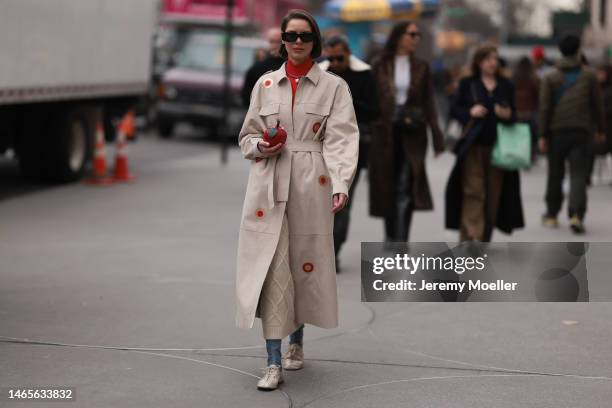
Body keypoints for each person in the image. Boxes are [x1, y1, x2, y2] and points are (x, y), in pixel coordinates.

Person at [235, 9, 359, 391]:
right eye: (291, 36)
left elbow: (342, 138)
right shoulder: (265, 84)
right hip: (268, 182)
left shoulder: (333, 86)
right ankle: (273, 361)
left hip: (311, 180)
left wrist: (341, 182)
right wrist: (262, 144)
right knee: (271, 267)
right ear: (283, 41)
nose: (298, 42)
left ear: (315, 41)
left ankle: (297, 339)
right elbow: (246, 138)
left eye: (305, 36)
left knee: (303, 264)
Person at [369, 21, 444, 246]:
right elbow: (369, 100)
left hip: (413, 132)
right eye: (412, 34)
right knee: (387, 183)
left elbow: (429, 102)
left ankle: (402, 238)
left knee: (407, 183)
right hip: (384, 133)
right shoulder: (379, 64)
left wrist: (437, 138)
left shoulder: (422, 66)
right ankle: (390, 234)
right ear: (399, 36)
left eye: (418, 34)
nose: (416, 38)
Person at [445, 43, 524, 242]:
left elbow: (515, 114)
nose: (492, 63)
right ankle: (473, 235)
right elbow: (454, 109)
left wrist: (507, 114)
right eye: (488, 59)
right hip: (473, 146)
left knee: (493, 195)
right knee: (474, 191)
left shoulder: (506, 85)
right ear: (479, 62)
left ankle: (482, 238)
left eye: (495, 59)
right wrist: (469, 112)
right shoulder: (468, 83)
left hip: (499, 149)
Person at [319, 35, 380, 270]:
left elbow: (374, 111)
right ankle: (319, 251)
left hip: (352, 148)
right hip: (321, 147)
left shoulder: (365, 75)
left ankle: (334, 251)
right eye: (330, 57)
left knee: (341, 201)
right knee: (317, 203)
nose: (334, 62)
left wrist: (346, 105)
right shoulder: (321, 74)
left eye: (339, 57)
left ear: (348, 53)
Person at [539, 34, 606, 234]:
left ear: (559, 51)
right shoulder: (589, 76)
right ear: (578, 50)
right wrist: (601, 129)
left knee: (555, 173)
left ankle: (551, 215)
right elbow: (598, 106)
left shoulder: (549, 77)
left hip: (556, 132)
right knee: (578, 174)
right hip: (581, 132)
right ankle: (577, 214)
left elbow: (544, 108)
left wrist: (542, 135)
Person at [241, 28, 285, 107]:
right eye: (272, 41)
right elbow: (247, 97)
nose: (275, 45)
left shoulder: (292, 66)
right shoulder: (256, 69)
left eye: (279, 41)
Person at [513, 56, 540, 162]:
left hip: (517, 112)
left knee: (518, 135)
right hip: (530, 112)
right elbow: (538, 95)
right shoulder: (534, 78)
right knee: (531, 135)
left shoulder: (514, 78)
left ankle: (519, 154)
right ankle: (530, 155)